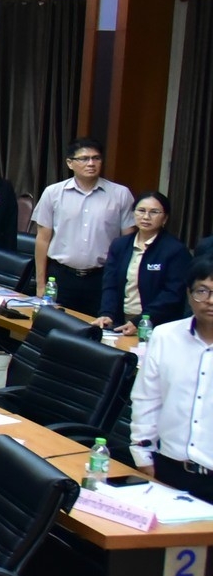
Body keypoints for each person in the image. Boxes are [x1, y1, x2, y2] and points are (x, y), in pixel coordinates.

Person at [129, 257, 213, 501]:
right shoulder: (165, 336)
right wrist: (143, 456)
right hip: (168, 469)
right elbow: (146, 399)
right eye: (202, 291)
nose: (210, 300)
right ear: (189, 294)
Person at [32, 137, 136, 316]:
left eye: (96, 158)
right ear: (70, 163)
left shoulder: (121, 194)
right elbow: (42, 240)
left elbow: (128, 242)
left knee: (99, 327)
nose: (91, 163)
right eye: (84, 159)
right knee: (56, 325)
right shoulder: (53, 193)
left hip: (102, 277)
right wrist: (40, 284)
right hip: (61, 277)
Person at [99, 191, 191, 330]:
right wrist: (107, 313)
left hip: (156, 324)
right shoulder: (120, 245)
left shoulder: (175, 250)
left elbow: (172, 294)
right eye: (141, 211)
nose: (146, 217)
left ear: (165, 218)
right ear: (133, 214)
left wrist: (140, 321)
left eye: (154, 212)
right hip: (119, 321)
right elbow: (110, 284)